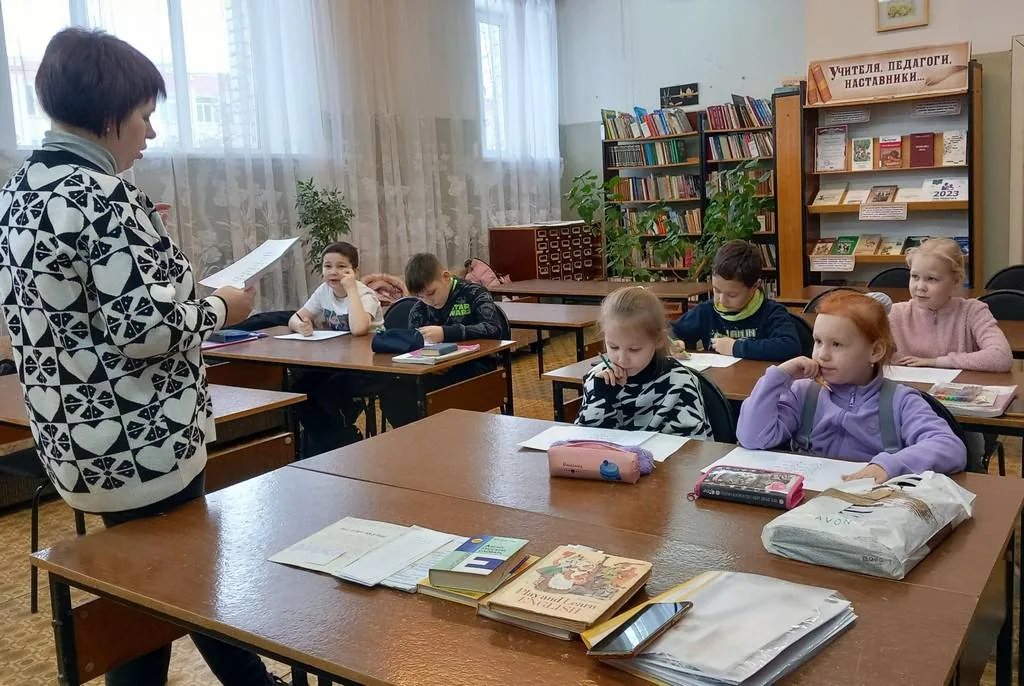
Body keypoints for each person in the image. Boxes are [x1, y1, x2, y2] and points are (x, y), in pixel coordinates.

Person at [0, 28, 281, 685]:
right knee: (170, 597)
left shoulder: (21, 192)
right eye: (146, 116)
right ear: (109, 114)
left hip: (75, 439)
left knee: (160, 593)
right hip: (141, 438)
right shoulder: (102, 197)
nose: (149, 134)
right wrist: (223, 309)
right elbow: (142, 331)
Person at [736, 291, 966, 482]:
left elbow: (949, 447)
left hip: (873, 509)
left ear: (875, 351)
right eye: (818, 342)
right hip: (809, 504)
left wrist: (889, 465)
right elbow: (752, 437)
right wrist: (779, 376)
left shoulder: (901, 401)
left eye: (836, 344)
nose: (822, 354)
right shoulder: (803, 393)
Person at [380, 253, 503, 427]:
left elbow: (493, 328)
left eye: (431, 293)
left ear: (446, 277)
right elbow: (414, 345)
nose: (428, 301)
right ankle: (414, 439)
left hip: (473, 365)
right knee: (395, 391)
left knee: (441, 393)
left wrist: (446, 333)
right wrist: (425, 362)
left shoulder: (474, 293)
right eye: (421, 297)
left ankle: (442, 437)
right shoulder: (419, 309)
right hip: (433, 369)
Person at [575, 286, 711, 438]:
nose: (622, 359)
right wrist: (602, 398)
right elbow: (585, 441)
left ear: (659, 340)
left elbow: (691, 450)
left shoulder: (680, 382)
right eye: (613, 347)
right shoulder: (598, 379)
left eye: (634, 349)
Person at [289, 241, 384, 454]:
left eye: (342, 267)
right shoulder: (324, 291)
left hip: (367, 367)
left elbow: (359, 329)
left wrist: (351, 289)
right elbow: (295, 317)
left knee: (325, 393)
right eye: (328, 266)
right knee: (298, 389)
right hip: (336, 362)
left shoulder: (364, 295)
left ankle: (335, 442)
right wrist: (300, 325)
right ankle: (336, 440)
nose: (334, 272)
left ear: (355, 271)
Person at [889, 237, 1012, 372]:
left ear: (956, 280)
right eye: (915, 276)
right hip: (911, 389)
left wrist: (936, 362)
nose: (920, 287)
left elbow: (1001, 357)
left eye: (931, 279)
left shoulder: (973, 311)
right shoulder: (895, 314)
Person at [671, 240, 800, 361]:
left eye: (732, 295)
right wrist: (674, 343)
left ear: (754, 287)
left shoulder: (771, 312)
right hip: (717, 380)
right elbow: (671, 330)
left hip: (756, 381)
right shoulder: (706, 311)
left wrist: (736, 348)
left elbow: (790, 346)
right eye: (716, 290)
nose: (722, 300)